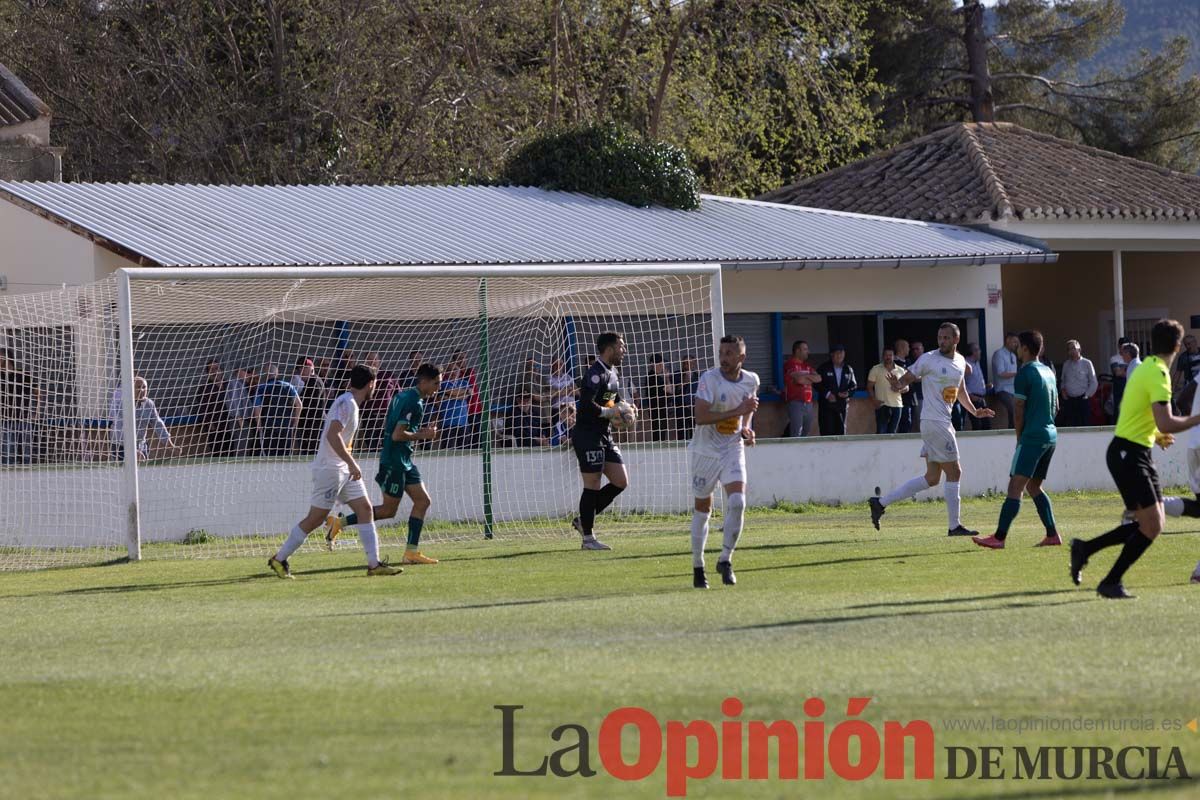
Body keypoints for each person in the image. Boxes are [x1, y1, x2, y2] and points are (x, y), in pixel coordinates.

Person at [1070, 319, 1200, 599]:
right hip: (1128, 454)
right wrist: (1196, 419)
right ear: (1178, 346)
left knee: (1151, 523)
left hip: (1132, 451)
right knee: (1151, 525)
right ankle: (1109, 580)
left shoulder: (1145, 368)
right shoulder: (1159, 372)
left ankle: (1086, 549)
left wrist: (1156, 435)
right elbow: (1166, 421)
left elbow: (1142, 413)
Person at [267, 364, 401, 579]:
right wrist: (351, 463)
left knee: (365, 509)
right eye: (375, 383)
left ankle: (374, 564)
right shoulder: (346, 403)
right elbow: (332, 435)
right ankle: (279, 558)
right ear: (371, 384)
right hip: (331, 469)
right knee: (316, 518)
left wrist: (348, 464)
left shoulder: (351, 403)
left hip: (342, 469)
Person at [869, 323, 995, 537]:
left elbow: (960, 390)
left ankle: (880, 503)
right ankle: (954, 526)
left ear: (956, 340)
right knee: (955, 472)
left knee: (932, 478)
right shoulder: (928, 359)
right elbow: (905, 380)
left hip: (941, 422)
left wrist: (974, 412)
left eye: (946, 338)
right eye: (940, 337)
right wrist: (897, 384)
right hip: (935, 422)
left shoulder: (960, 361)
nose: (942, 341)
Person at [326, 363, 442, 566]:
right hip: (394, 461)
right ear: (423, 381)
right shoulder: (414, 402)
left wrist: (418, 432)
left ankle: (411, 553)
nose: (438, 388)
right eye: (436, 383)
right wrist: (423, 435)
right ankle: (339, 522)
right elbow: (397, 435)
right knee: (389, 510)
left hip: (404, 459)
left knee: (423, 501)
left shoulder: (402, 395)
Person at [973, 331, 1063, 549]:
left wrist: (1020, 437)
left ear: (1024, 348)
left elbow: (1018, 410)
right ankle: (1052, 535)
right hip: (1050, 435)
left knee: (1015, 486)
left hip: (1032, 436)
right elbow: (1057, 407)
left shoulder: (1024, 373)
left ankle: (999, 537)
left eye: (1019, 346)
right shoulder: (1048, 371)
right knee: (1034, 486)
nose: (1017, 350)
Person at [689, 335, 759, 589]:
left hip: (732, 448)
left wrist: (747, 429)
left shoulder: (751, 380)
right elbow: (701, 416)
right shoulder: (709, 379)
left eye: (729, 353)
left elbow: (748, 408)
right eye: (721, 353)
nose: (723, 358)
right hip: (705, 452)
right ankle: (698, 566)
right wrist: (738, 411)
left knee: (738, 502)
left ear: (741, 357)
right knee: (703, 510)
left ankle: (725, 559)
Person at [570, 331, 633, 550]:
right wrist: (608, 413)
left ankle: (583, 520)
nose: (624, 350)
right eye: (621, 346)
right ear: (609, 348)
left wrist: (625, 408)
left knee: (620, 481)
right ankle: (588, 539)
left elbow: (610, 400)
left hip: (604, 435)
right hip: (587, 435)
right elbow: (586, 404)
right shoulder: (595, 373)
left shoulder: (613, 372)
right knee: (593, 484)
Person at [108, 376, 181, 462]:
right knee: (125, 469)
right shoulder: (121, 404)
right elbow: (120, 429)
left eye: (144, 387)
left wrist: (170, 445)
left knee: (143, 467)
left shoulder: (149, 404)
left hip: (141, 445)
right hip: (121, 445)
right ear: (130, 389)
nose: (141, 390)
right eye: (138, 387)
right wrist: (133, 451)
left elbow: (158, 424)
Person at [1, 347, 40, 465]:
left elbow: (38, 394)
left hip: (24, 419)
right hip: (4, 420)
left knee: (26, 453)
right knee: (8, 454)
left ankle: (28, 472)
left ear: (6, 358)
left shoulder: (23, 374)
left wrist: (36, 413)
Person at [252, 364, 302, 456]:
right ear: (277, 373)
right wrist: (295, 422)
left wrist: (259, 426)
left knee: (269, 456)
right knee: (285, 455)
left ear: (266, 375)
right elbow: (299, 404)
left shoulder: (261, 388)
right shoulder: (288, 386)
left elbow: (257, 409)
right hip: (285, 426)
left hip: (268, 427)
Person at [817, 345, 856, 436]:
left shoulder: (848, 369)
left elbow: (854, 386)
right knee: (827, 432)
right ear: (832, 355)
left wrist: (848, 393)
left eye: (842, 353)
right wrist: (827, 394)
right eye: (837, 353)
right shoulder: (823, 368)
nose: (840, 355)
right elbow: (816, 384)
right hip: (826, 406)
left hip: (842, 406)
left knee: (841, 433)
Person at [783, 340, 819, 438]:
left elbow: (819, 378)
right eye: (805, 349)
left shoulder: (807, 366)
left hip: (808, 402)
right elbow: (799, 380)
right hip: (795, 402)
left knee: (806, 432)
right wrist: (810, 378)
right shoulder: (789, 364)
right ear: (797, 351)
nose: (808, 352)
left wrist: (805, 378)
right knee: (796, 433)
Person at [193, 358, 228, 456]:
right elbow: (202, 409)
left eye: (216, 368)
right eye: (211, 370)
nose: (215, 372)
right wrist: (210, 424)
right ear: (208, 373)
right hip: (216, 429)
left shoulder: (229, 385)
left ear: (221, 370)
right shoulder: (204, 389)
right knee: (219, 455)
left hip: (232, 426)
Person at [867, 347, 906, 434]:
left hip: (897, 405)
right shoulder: (875, 369)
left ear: (894, 356)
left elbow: (906, 388)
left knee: (893, 433)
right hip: (882, 404)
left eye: (890, 355)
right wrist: (874, 400)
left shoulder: (900, 370)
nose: (888, 357)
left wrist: (898, 388)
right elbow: (869, 386)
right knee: (881, 433)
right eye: (886, 355)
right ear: (882, 356)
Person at [1059, 339, 1098, 428]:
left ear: (1079, 349)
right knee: (1070, 426)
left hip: (1083, 400)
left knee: (1084, 425)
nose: (1071, 351)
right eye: (1069, 349)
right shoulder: (1066, 364)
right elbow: (1063, 381)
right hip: (1070, 401)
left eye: (1073, 348)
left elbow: (1093, 382)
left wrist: (1087, 395)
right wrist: (1063, 391)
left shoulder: (1087, 363)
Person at [294, 358, 329, 454]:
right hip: (314, 426)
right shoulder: (315, 381)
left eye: (301, 369)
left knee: (311, 454)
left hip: (313, 428)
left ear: (309, 369)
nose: (300, 373)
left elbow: (310, 406)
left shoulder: (313, 382)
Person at [642, 353, 674, 442]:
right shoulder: (653, 377)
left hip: (659, 410)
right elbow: (670, 391)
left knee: (659, 433)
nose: (663, 367)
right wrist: (667, 378)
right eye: (661, 364)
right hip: (658, 410)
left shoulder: (653, 377)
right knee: (659, 434)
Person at [991, 333, 1019, 429]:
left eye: (1017, 342)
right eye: (1014, 342)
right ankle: (1012, 432)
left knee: (1018, 411)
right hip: (1002, 389)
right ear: (1007, 340)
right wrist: (1017, 374)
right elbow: (1001, 373)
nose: (1016, 344)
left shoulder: (1013, 356)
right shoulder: (999, 354)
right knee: (1013, 410)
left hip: (1013, 390)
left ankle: (1014, 431)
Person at [963, 343, 991, 431]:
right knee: (977, 425)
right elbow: (961, 382)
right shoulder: (965, 364)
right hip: (973, 398)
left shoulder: (977, 363)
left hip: (981, 398)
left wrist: (985, 386)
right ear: (973, 352)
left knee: (986, 425)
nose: (980, 351)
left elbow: (974, 381)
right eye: (978, 350)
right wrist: (971, 395)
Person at [671, 354, 699, 440]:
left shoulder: (697, 376)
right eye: (685, 363)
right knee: (681, 432)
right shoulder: (676, 375)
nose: (686, 365)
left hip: (693, 408)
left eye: (689, 363)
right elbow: (674, 391)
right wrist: (684, 381)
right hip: (680, 408)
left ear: (693, 364)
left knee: (694, 431)